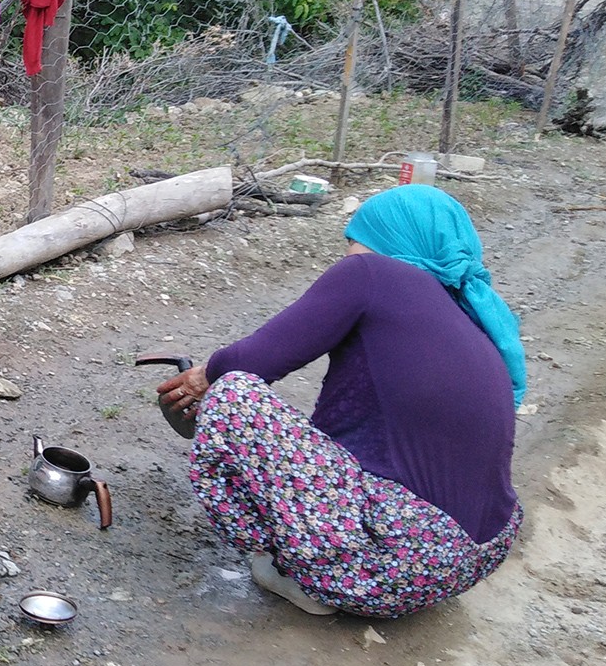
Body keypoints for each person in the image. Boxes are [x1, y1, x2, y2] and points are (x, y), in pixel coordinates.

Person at [156, 185, 525, 618]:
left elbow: (252, 361)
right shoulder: (465, 316)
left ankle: (294, 570)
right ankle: (330, 560)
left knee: (235, 394)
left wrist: (203, 376)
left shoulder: (372, 274)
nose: (350, 256)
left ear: (392, 242)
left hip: (396, 566)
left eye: (356, 243)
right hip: (466, 562)